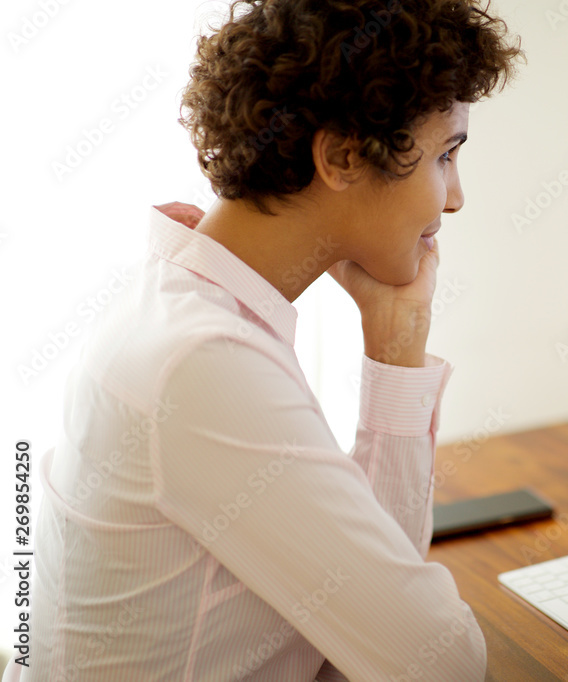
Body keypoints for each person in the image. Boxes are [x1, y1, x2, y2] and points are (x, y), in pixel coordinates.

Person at [9, 1, 521, 680]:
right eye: (445, 156)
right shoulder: (204, 363)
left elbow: (374, 633)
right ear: (340, 156)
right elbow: (439, 663)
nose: (454, 198)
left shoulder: (183, 308)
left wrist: (395, 343)